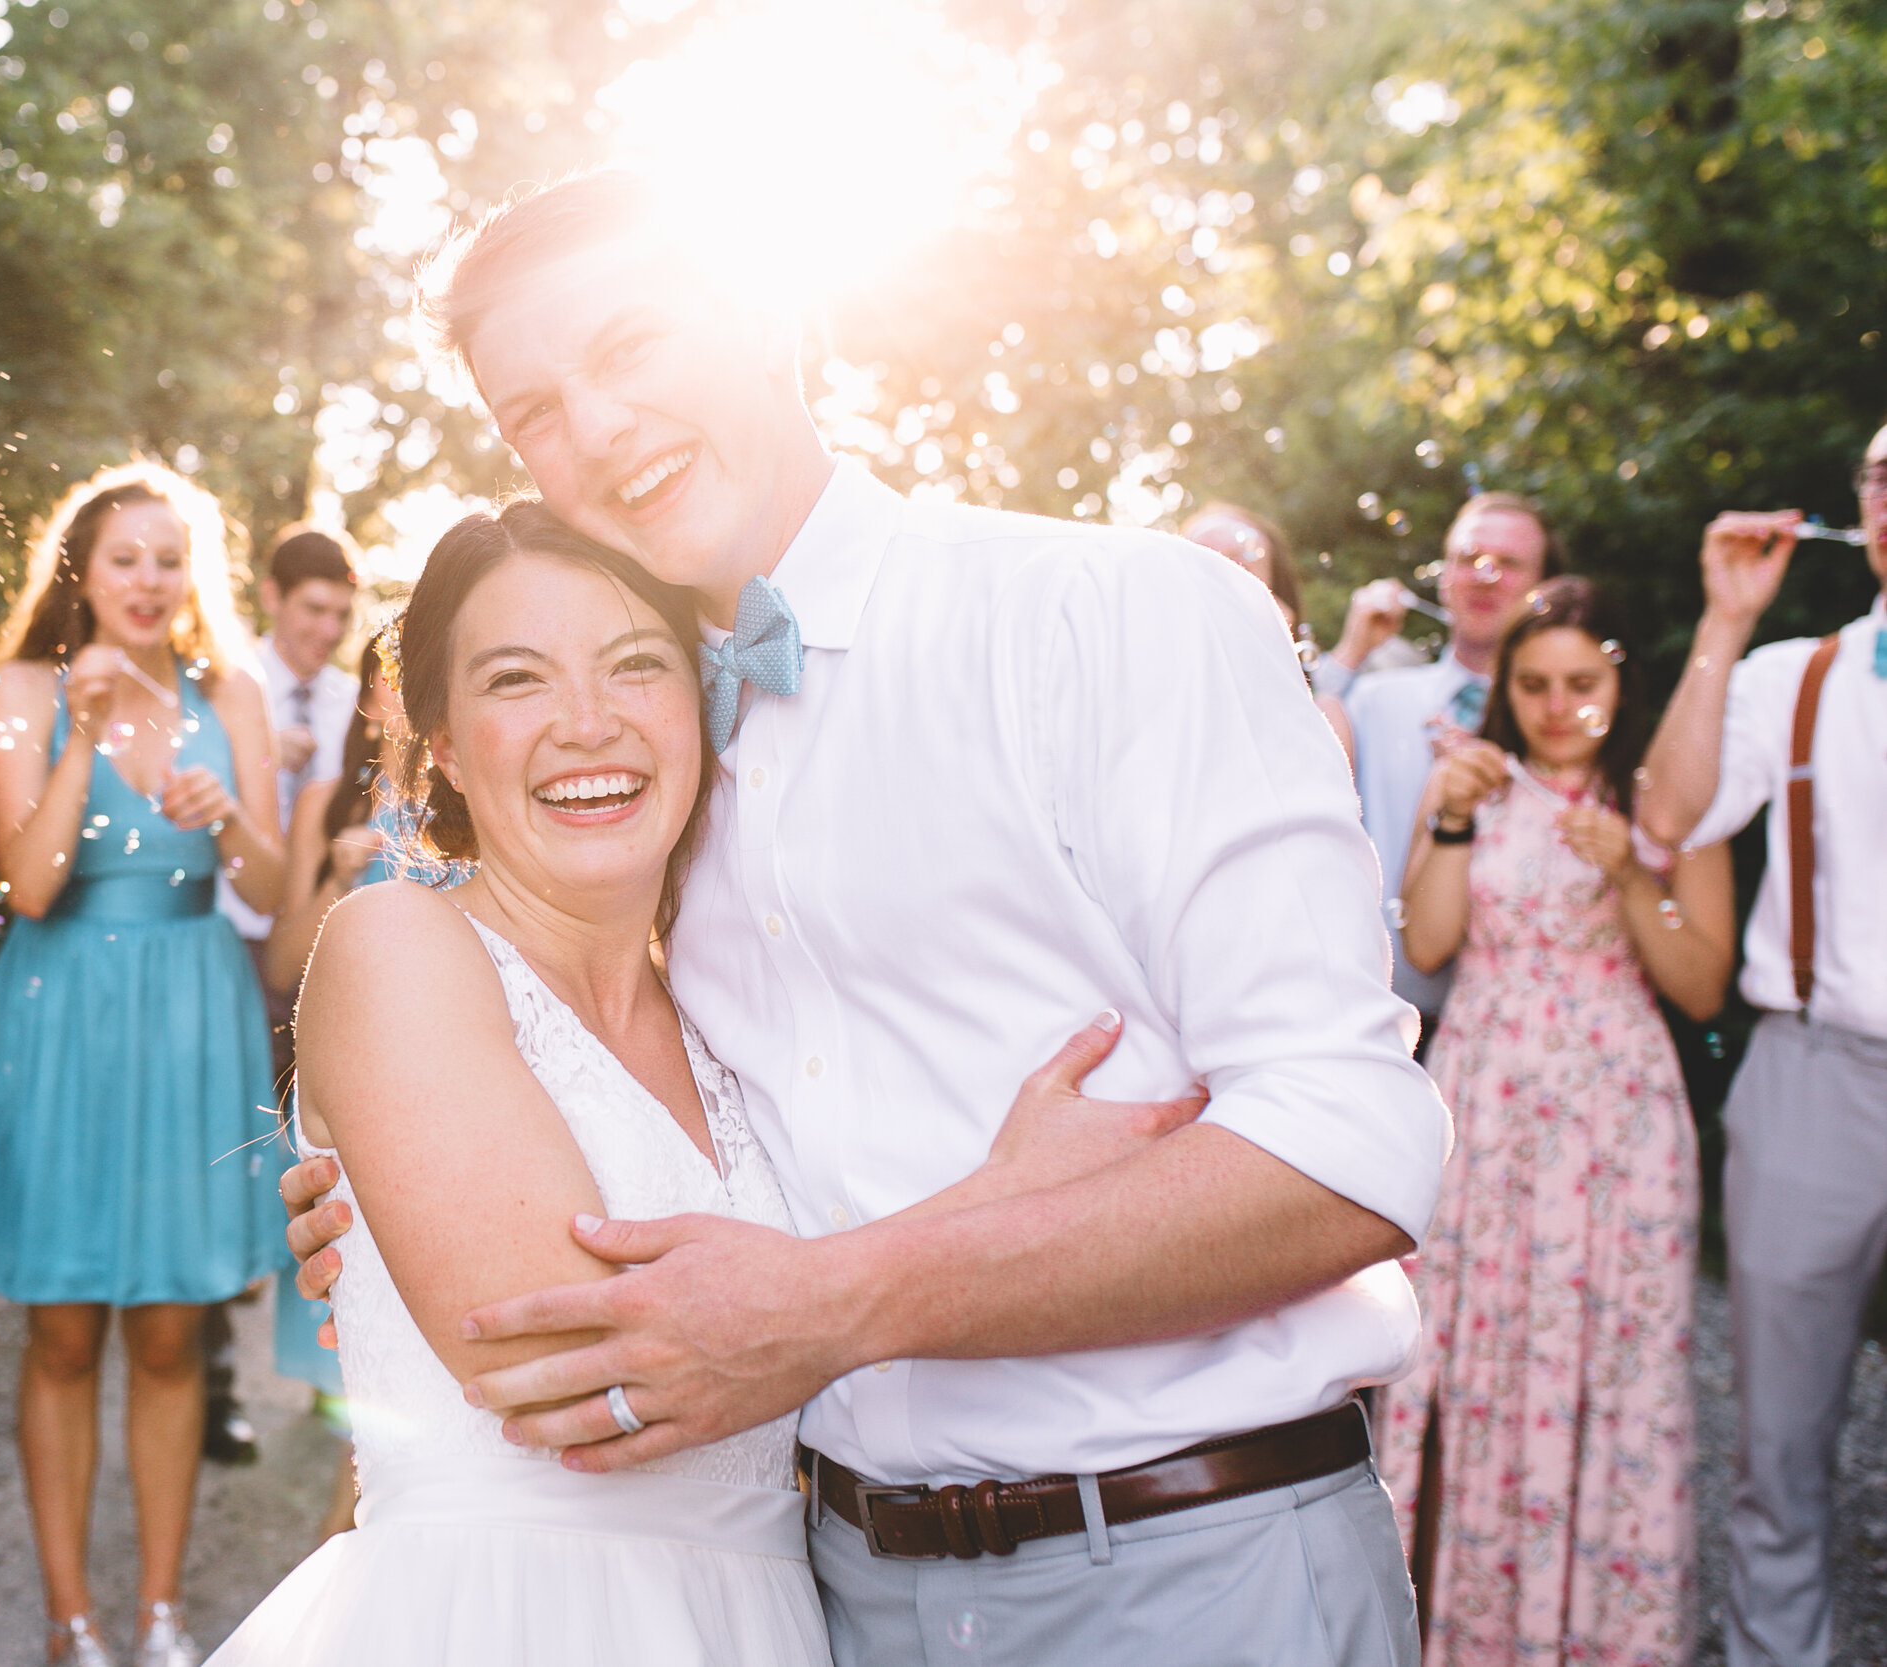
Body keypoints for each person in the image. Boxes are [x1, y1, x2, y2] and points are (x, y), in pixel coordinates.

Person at [285, 169, 1447, 1663]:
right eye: (537, 411)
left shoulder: (1110, 614)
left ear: (768, 314)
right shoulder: (654, 784)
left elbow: (1354, 1148)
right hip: (827, 1592)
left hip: (1182, 1558)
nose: (602, 429)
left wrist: (842, 1299)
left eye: (630, 346)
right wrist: (382, 1196)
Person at [216, 500, 829, 1663]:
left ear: (698, 698)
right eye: (516, 680)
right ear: (439, 738)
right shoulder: (397, 945)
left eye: (634, 664)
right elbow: (563, 1373)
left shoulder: (743, 1006)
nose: (586, 723)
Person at [0, 463, 288, 1667]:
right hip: (65, 1007)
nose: (148, 579)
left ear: (196, 575)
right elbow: (28, 883)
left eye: (170, 557)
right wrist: (85, 741)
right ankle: (69, 1614)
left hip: (191, 1007)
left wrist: (227, 816)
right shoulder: (25, 686)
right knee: (67, 1334)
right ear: (79, 571)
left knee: (174, 1336)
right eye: (125, 556)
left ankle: (161, 1609)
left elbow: (278, 890)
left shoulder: (227, 691)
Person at [1380, 576, 1732, 1664]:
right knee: (1465, 1358)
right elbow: (1430, 945)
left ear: (1621, 681)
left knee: (1608, 1367)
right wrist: (1444, 811)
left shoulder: (1671, 802)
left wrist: (1631, 872)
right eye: (1531, 682)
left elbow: (1702, 985)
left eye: (1581, 681)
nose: (1554, 703)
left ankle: (1591, 1634)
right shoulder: (1474, 786)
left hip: (1614, 1120)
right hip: (1480, 1105)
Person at [1631, 426, 1887, 1667]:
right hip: (1811, 1073)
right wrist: (1725, 623)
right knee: (1779, 1440)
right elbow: (1668, 817)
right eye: (1883, 475)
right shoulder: (1789, 674)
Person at [209, 524, 361, 1463]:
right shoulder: (229, 682)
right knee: (226, 1160)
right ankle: (217, 1378)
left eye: (342, 615)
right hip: (227, 937)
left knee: (320, 1150)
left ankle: (330, 1365)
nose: (326, 631)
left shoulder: (356, 694)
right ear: (272, 595)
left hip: (320, 946)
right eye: (313, 610)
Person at [257, 631, 403, 1541]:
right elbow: (280, 959)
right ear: (371, 698)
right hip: (352, 1098)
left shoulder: (479, 805)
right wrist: (338, 878)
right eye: (393, 683)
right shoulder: (327, 802)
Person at [1328, 492, 1562, 1036]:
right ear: (1442, 578)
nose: (1485, 576)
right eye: (1468, 558)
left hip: (1528, 1031)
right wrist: (1349, 651)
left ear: (1545, 588)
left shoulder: (1565, 717)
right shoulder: (1373, 699)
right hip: (1384, 1022)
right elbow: (1282, 753)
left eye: (1509, 564)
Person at [1181, 500, 1357, 761]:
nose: (1223, 581)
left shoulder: (1322, 714)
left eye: (1241, 563)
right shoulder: (1170, 701)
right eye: (1206, 564)